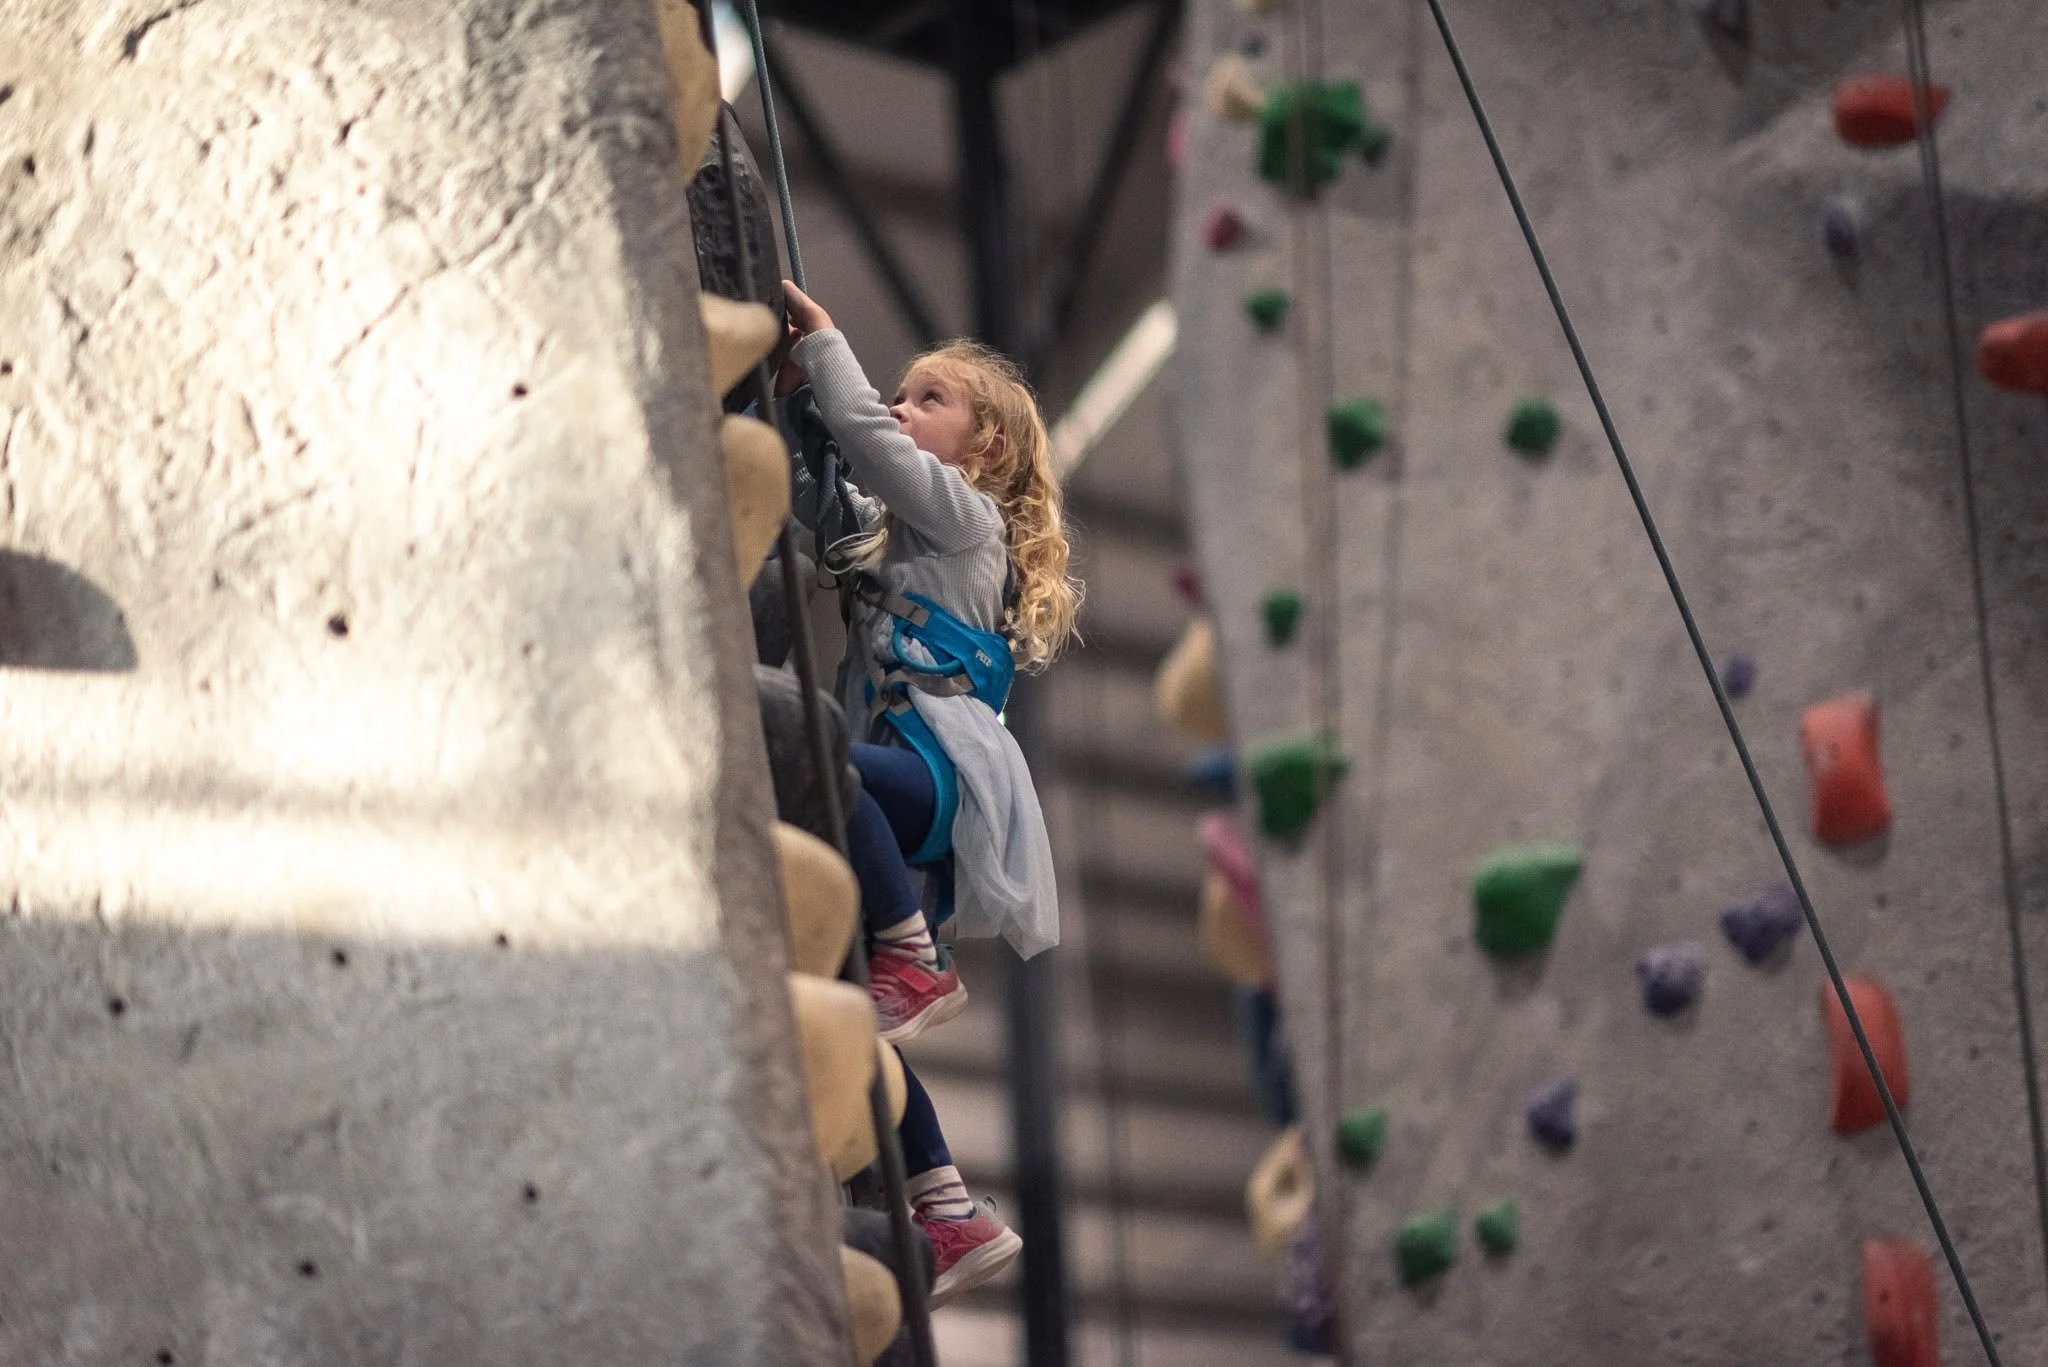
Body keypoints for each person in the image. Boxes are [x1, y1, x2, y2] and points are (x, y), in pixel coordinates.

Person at [776, 279, 1080, 1307]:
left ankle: (910, 951)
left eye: (925, 399)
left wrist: (828, 355)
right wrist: (801, 413)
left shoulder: (961, 522)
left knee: (823, 762)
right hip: (909, 783)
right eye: (897, 395)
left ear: (983, 447)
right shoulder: (899, 532)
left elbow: (876, 453)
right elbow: (830, 503)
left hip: (942, 766)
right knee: (845, 1016)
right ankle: (947, 1206)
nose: (902, 411)